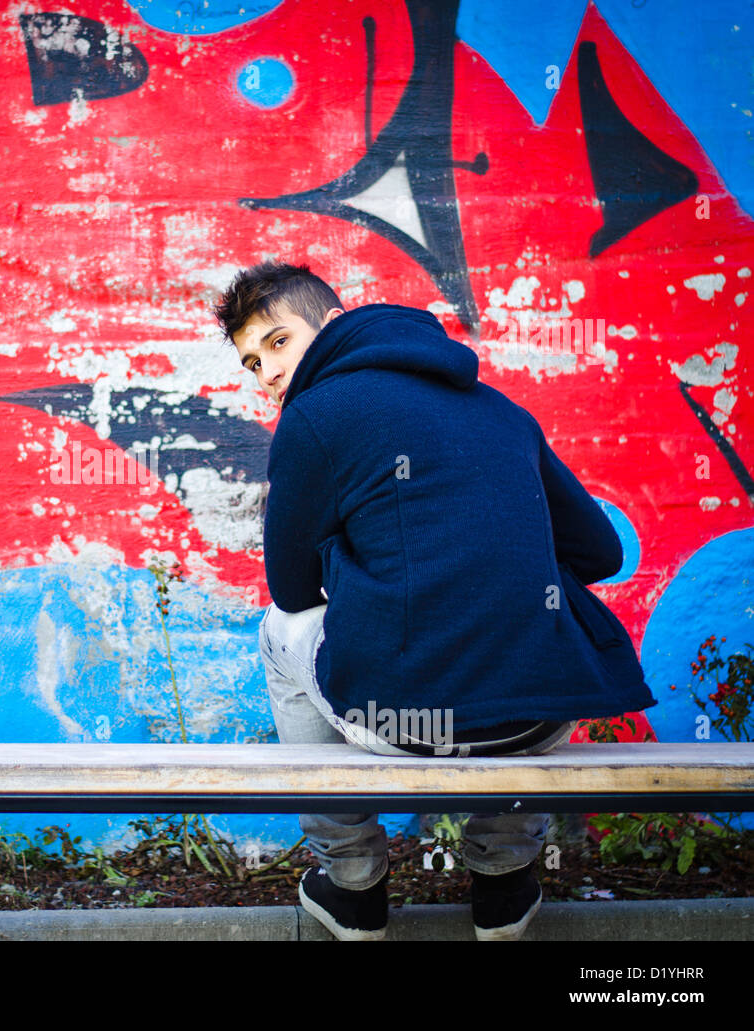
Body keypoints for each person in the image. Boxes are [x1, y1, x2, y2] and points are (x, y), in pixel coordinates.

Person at [214, 261, 656, 941]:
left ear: (333, 324)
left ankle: (353, 880)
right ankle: (504, 884)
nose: (267, 372)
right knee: (528, 650)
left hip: (402, 723)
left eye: (277, 341)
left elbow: (293, 590)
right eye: (251, 361)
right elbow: (602, 551)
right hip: (536, 721)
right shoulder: (501, 409)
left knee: (280, 630)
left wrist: (345, 555)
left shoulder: (313, 415)